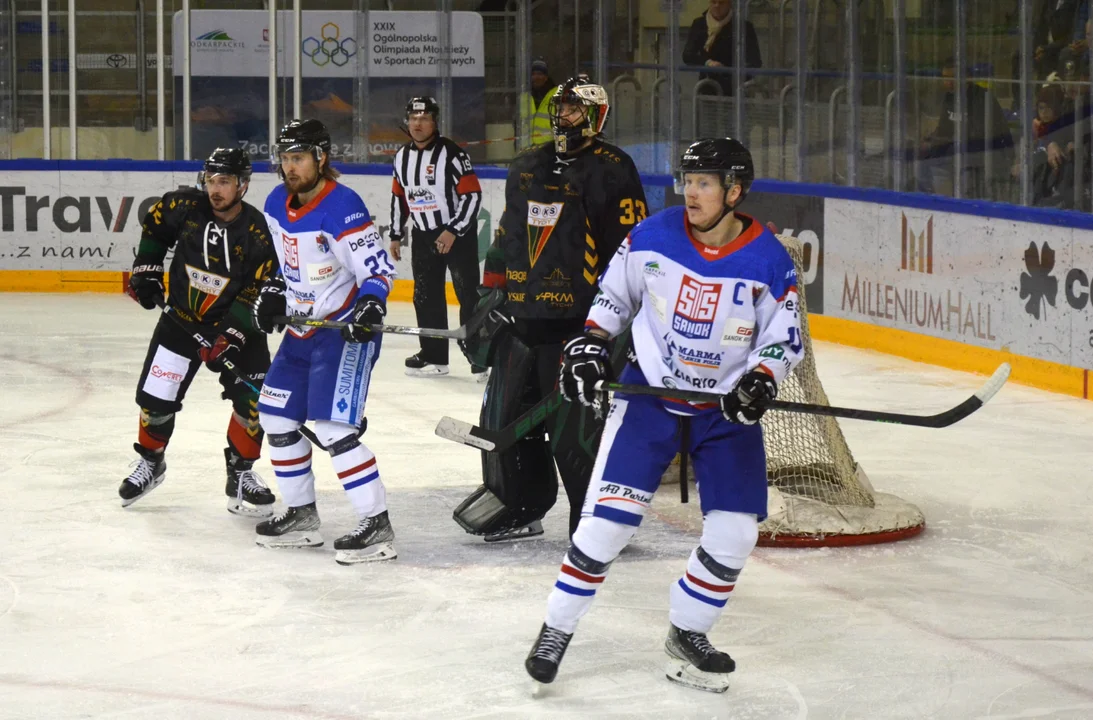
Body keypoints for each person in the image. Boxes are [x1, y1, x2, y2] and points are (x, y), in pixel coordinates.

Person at [522, 137, 803, 693]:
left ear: (735, 191)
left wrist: (761, 379)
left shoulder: (767, 256)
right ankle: (556, 628)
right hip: (649, 398)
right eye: (687, 180)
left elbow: (783, 337)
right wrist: (590, 344)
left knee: (735, 535)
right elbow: (613, 298)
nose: (689, 192)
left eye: (704, 183)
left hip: (724, 413)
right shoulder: (652, 235)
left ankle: (687, 632)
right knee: (606, 526)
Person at [453, 76, 647, 542]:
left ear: (596, 116)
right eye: (560, 108)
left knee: (574, 432)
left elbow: (629, 251)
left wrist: (620, 327)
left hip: (579, 328)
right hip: (522, 318)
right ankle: (518, 503)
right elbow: (506, 238)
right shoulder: (527, 165)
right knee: (501, 422)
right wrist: (488, 298)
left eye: (574, 109)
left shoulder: (614, 168)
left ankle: (598, 518)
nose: (563, 117)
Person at [252, 118, 399, 565]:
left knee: (334, 429)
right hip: (301, 330)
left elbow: (377, 270)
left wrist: (370, 306)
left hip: (342, 331)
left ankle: (376, 526)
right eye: (284, 158)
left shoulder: (343, 206)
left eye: (298, 158)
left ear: (321, 158)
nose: (289, 167)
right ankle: (300, 515)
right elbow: (288, 264)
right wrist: (276, 291)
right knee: (276, 418)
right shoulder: (276, 202)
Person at [119, 147, 279, 518]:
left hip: (239, 326)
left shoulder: (258, 231)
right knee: (155, 399)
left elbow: (258, 288)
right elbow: (155, 228)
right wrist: (146, 270)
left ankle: (240, 473)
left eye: (224, 182)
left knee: (252, 404)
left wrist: (231, 336)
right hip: (182, 320)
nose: (215, 190)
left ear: (243, 185)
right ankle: (151, 462)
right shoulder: (182, 207)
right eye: (211, 180)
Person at [389, 96, 485, 379]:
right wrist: (395, 234)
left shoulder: (453, 154)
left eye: (424, 119)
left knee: (468, 297)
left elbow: (472, 195)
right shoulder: (401, 157)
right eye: (413, 118)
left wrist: (453, 230)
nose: (418, 124)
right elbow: (399, 198)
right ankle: (434, 356)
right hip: (422, 236)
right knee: (425, 297)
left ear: (434, 122)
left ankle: (480, 359)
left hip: (458, 236)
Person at [916, 58, 1015, 201]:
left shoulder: (982, 98)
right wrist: (931, 139)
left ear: (966, 78)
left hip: (988, 151)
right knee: (922, 154)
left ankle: (955, 202)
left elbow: (977, 136)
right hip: (957, 147)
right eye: (944, 78)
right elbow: (944, 129)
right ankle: (930, 200)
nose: (947, 82)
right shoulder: (950, 97)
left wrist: (943, 141)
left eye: (952, 78)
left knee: (948, 156)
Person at [682, 0, 763, 97]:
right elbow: (687, 55)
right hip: (708, 87)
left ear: (729, 4)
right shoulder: (699, 24)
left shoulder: (743, 27)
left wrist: (733, 70)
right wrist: (708, 62)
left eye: (721, 2)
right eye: (713, 2)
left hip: (736, 89)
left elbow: (755, 61)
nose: (717, 6)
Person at [518, 58, 559, 148]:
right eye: (533, 74)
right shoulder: (525, 96)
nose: (536, 78)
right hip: (527, 147)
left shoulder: (556, 95)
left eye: (540, 74)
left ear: (546, 77)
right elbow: (519, 124)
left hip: (549, 148)